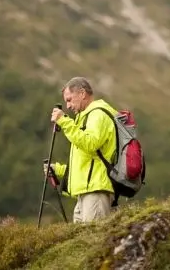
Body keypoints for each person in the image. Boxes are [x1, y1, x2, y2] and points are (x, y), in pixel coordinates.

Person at [44, 76, 118, 223]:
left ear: (82, 93)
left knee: (94, 242)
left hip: (96, 191)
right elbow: (87, 163)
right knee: (82, 243)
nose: (68, 106)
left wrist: (64, 121)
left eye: (69, 99)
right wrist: (57, 170)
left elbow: (90, 144)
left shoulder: (98, 114)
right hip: (86, 192)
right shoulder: (86, 117)